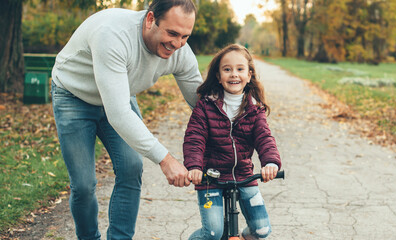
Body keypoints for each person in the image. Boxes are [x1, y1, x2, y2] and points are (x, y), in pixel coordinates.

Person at [50, 0, 202, 239]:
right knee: (83, 185)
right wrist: (166, 160)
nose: (177, 44)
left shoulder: (180, 51)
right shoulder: (113, 34)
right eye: (172, 33)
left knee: (132, 167)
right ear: (151, 19)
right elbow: (119, 114)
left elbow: (201, 104)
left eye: (185, 36)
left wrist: (235, 126)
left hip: (118, 94)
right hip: (74, 96)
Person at [183, 44, 282, 240]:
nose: (234, 74)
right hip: (211, 179)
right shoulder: (206, 106)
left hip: (244, 175)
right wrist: (194, 166)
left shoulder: (255, 109)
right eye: (227, 69)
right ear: (218, 76)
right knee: (212, 233)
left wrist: (271, 163)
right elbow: (195, 138)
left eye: (240, 69)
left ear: (249, 74)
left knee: (261, 230)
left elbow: (264, 138)